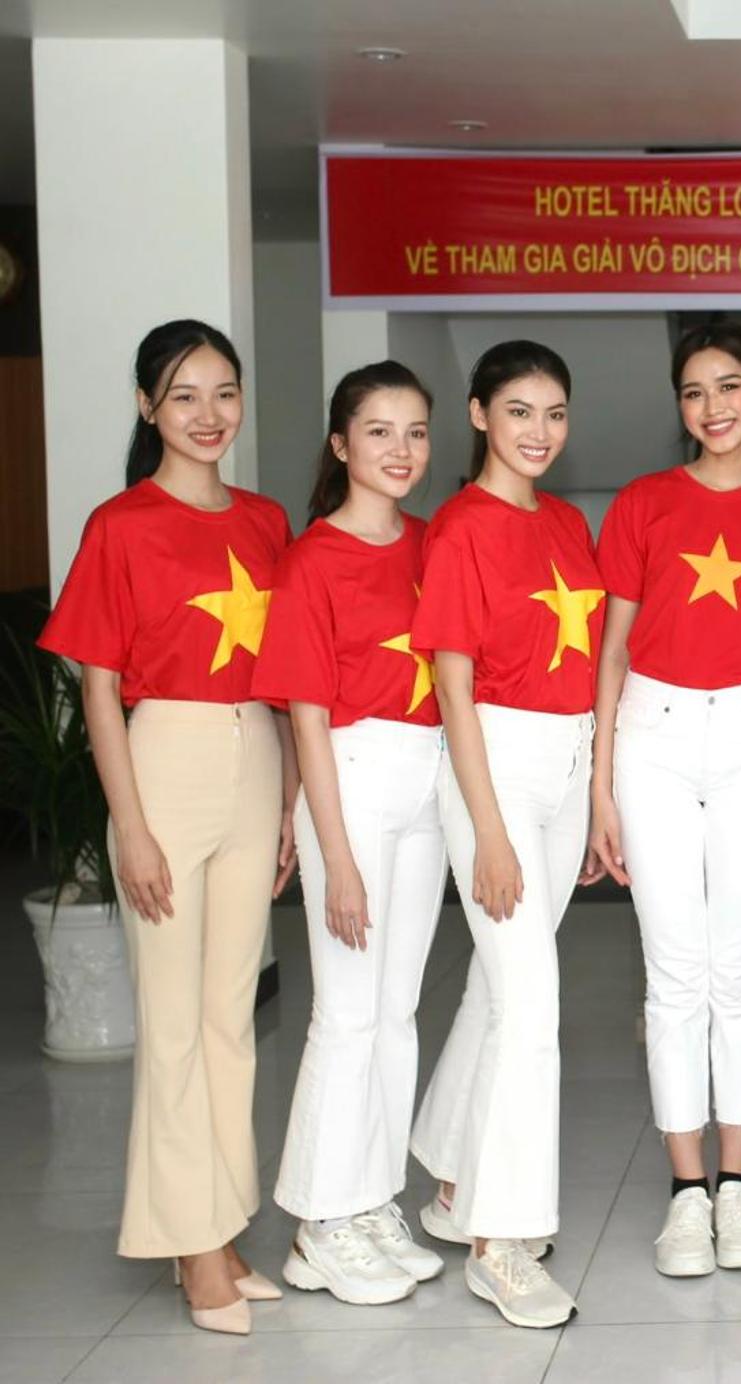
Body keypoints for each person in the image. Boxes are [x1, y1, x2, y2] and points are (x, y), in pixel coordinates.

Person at [39, 320, 295, 1336]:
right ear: (148, 407)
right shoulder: (121, 525)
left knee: (232, 1016)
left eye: (224, 391)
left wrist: (287, 801)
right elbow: (99, 691)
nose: (208, 414)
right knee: (176, 1022)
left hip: (255, 755)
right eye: (183, 394)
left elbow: (286, 676)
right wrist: (131, 828)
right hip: (166, 760)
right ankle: (192, 1248)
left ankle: (222, 1226)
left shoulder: (267, 521)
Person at [586, 323, 741, 1277]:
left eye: (728, 386)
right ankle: (687, 1194)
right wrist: (600, 783)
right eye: (693, 391)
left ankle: (736, 1185)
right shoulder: (644, 502)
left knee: (738, 970)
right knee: (674, 972)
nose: (712, 407)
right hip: (652, 737)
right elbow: (611, 649)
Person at [407, 340, 604, 1327]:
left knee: (499, 988)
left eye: (554, 412)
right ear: (479, 414)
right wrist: (488, 831)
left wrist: (594, 794)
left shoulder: (567, 522)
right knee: (532, 1007)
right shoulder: (459, 528)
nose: (539, 431)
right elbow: (452, 688)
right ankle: (500, 1238)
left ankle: (452, 1179)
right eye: (519, 410)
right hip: (496, 768)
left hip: (565, 765)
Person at [257, 361, 450, 1303]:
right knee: (344, 1013)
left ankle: (371, 1200)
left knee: (396, 1011)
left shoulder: (432, 543)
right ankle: (317, 1224)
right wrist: (334, 858)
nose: (400, 450)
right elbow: (304, 718)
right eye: (378, 431)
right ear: (340, 445)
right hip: (353, 783)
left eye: (415, 431)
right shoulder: (310, 560)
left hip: (427, 782)